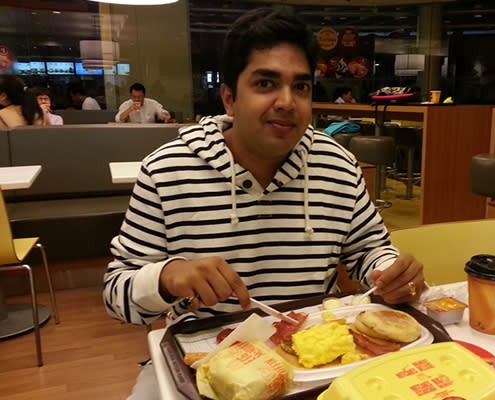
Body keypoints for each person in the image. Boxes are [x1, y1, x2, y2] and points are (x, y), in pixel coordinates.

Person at [104, 9, 424, 397]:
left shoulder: (337, 164)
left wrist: (389, 272)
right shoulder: (167, 170)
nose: (287, 102)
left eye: (301, 87)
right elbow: (117, 295)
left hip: (315, 364)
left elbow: (369, 249)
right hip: (205, 363)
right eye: (265, 83)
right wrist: (169, 276)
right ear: (229, 98)